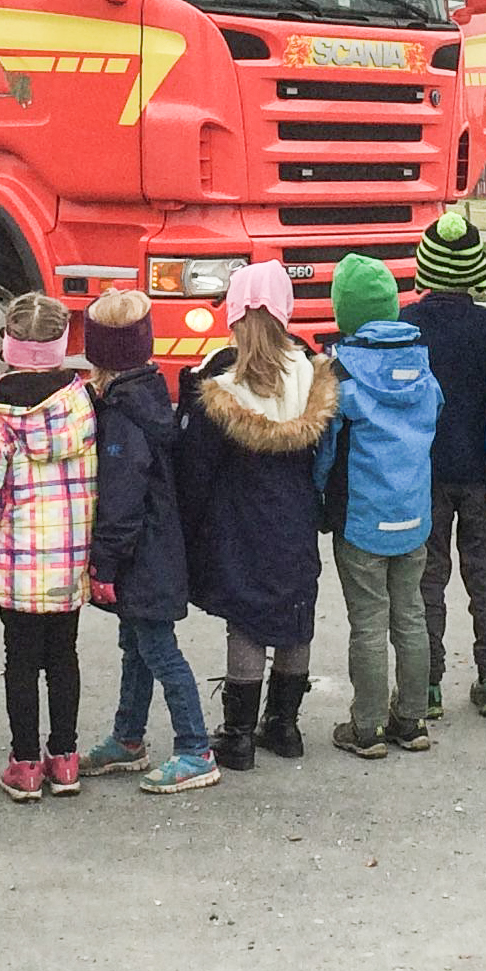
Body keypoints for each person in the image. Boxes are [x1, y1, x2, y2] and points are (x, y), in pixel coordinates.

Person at [176, 261, 336, 768]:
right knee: (296, 612)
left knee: (245, 619)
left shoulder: (219, 382)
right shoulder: (312, 373)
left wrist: (190, 524)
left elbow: (195, 467)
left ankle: (238, 734)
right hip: (294, 515)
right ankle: (285, 726)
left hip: (237, 518)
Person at [76, 291, 220, 794]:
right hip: (160, 549)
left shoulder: (120, 417)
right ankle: (128, 737)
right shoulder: (151, 393)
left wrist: (104, 566)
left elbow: (120, 501)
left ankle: (194, 748)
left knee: (158, 649)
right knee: (136, 645)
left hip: (141, 556)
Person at [0, 293, 97, 803]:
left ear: (9, 344)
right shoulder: (82, 403)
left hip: (18, 565)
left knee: (19, 660)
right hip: (70, 560)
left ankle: (24, 764)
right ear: (63, 344)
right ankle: (64, 758)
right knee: (63, 654)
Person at [315, 254, 443, 759]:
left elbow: (326, 452)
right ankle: (410, 720)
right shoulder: (423, 369)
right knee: (411, 613)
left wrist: (319, 494)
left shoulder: (341, 376)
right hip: (414, 514)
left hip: (362, 519)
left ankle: (366, 727)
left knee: (368, 621)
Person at [405, 209, 486, 721]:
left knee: (426, 580)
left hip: (424, 472)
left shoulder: (408, 326)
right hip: (482, 474)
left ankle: (426, 685)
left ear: (425, 267)